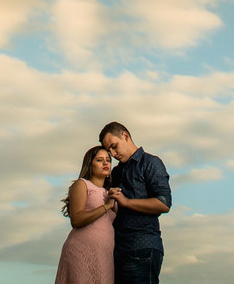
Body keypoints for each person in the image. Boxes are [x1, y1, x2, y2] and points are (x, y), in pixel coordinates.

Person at [99, 121, 172, 284]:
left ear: (125, 136)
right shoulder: (116, 172)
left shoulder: (150, 162)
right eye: (109, 150)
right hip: (118, 251)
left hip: (142, 248)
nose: (113, 153)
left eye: (114, 146)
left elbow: (164, 203)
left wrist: (127, 202)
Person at [54, 145, 117, 284]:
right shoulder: (82, 185)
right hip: (81, 250)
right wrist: (106, 206)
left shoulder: (109, 193)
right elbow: (76, 219)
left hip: (104, 254)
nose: (106, 163)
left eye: (108, 160)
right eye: (100, 160)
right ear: (90, 164)